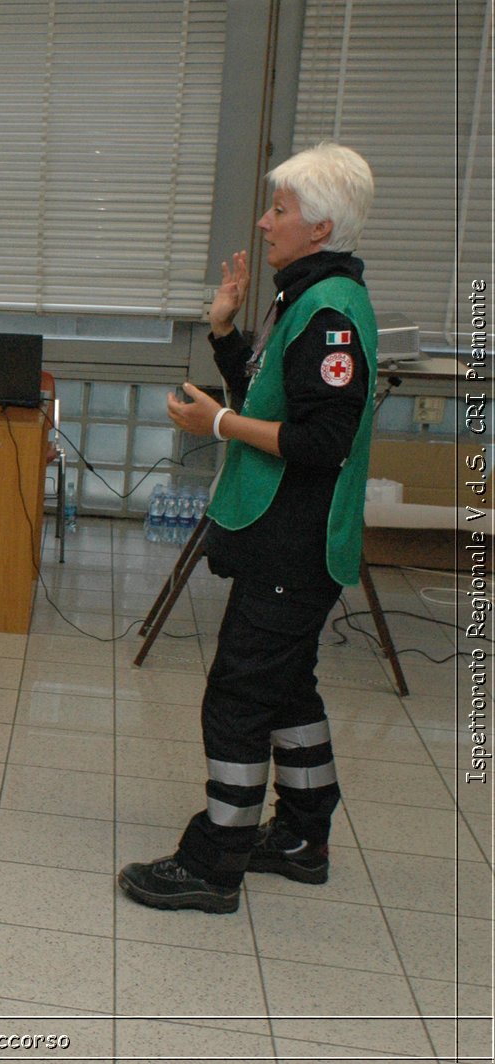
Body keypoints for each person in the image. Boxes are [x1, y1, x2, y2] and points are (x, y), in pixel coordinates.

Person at [119, 142, 377, 913]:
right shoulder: (301, 295)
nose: (265, 223)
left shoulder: (331, 313)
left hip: (295, 540)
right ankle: (302, 838)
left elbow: (320, 442)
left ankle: (215, 862)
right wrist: (227, 334)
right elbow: (273, 403)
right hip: (282, 536)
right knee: (287, 689)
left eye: (280, 210)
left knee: (236, 697)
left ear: (321, 225)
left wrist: (220, 422)